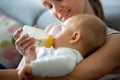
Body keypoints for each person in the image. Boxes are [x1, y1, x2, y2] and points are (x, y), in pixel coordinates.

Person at [0, 0, 120, 80]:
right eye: (49, 6)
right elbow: (21, 73)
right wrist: (28, 56)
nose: (56, 10)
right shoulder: (51, 29)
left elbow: (64, 77)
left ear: (75, 37)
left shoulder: (115, 41)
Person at [18, 14, 106, 80]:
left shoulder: (70, 54)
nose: (56, 34)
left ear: (74, 37)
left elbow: (63, 65)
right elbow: (47, 66)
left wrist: (33, 68)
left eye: (61, 30)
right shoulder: (60, 52)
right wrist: (31, 57)